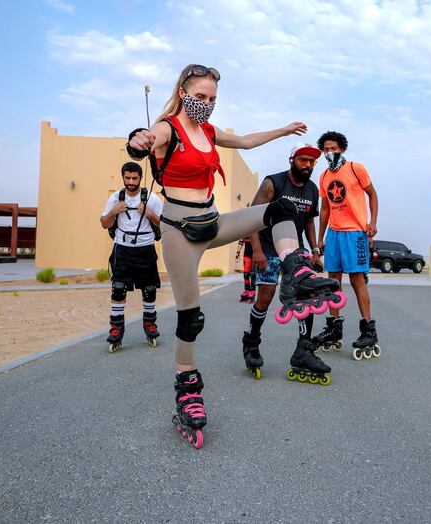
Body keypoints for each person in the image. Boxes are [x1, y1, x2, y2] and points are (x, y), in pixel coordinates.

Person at [126, 64, 343, 448]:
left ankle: (295, 273)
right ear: (183, 92)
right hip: (179, 233)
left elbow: (242, 141)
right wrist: (139, 141)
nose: (207, 105)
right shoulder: (169, 129)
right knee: (190, 318)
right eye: (201, 97)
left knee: (280, 209)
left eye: (213, 100)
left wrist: (284, 130)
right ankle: (187, 387)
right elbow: (145, 138)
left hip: (212, 222)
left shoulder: (208, 131)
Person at [242, 143, 333, 385]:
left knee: (307, 296)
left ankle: (303, 350)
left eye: (312, 162)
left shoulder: (313, 190)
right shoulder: (274, 183)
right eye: (303, 160)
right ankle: (251, 343)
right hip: (268, 249)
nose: (308, 165)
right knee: (265, 298)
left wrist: (314, 252)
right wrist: (257, 250)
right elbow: (253, 215)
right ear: (292, 159)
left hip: (295, 251)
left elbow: (310, 223)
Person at [312, 131, 381, 361]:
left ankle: (368, 330)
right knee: (333, 282)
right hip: (334, 233)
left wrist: (372, 222)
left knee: (357, 280)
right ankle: (334, 326)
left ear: (342, 148)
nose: (329, 153)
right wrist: (320, 238)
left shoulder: (355, 168)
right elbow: (325, 209)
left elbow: (372, 194)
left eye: (333, 148)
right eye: (326, 149)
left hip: (355, 233)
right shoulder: (323, 176)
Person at [99, 162, 163, 352]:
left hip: (145, 249)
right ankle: (116, 329)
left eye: (135, 178)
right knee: (118, 289)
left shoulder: (151, 198)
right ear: (123, 177)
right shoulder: (115, 198)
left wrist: (149, 214)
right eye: (127, 178)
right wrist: (113, 212)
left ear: (140, 178)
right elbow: (103, 223)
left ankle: (150, 325)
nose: (131, 182)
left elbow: (163, 224)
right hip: (122, 249)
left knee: (149, 289)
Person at [236, 236, 256, 303]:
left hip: (255, 254)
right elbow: (241, 241)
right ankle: (247, 290)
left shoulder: (256, 230)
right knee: (246, 273)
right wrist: (237, 253)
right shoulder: (245, 231)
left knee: (253, 274)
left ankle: (253, 291)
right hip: (247, 254)